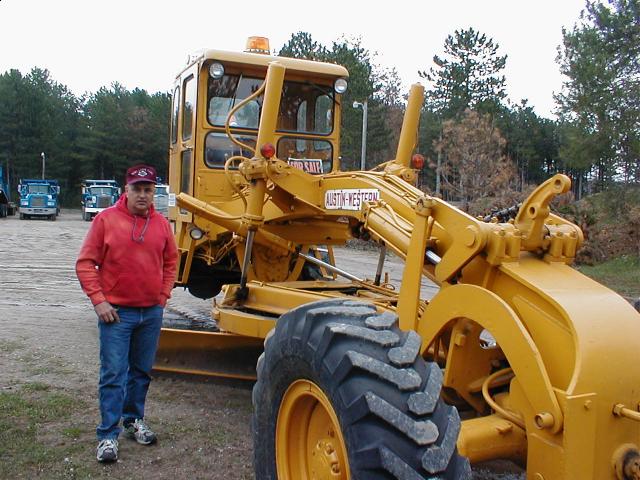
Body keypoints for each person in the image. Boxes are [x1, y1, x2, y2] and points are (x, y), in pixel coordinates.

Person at [76, 164, 178, 463]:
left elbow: (171, 261)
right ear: (127, 190)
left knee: (141, 372)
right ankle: (108, 435)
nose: (143, 195)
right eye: (138, 189)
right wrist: (99, 300)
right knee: (113, 375)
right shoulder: (106, 220)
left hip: (151, 313)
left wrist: (162, 296)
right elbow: (85, 263)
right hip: (116, 315)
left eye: (149, 190)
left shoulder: (161, 224)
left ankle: (133, 421)